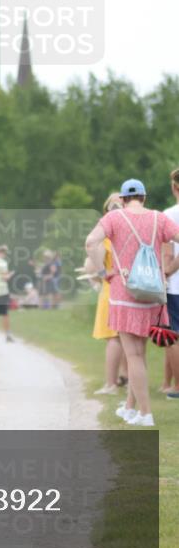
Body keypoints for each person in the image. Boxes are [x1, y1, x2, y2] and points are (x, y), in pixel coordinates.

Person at [85, 178, 179, 427]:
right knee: (140, 354)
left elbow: (91, 243)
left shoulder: (114, 218)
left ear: (123, 199)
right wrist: (169, 269)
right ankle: (130, 408)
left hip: (125, 292)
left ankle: (145, 413)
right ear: (144, 197)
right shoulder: (159, 218)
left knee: (133, 355)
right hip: (153, 295)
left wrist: (101, 271)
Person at [85, 193, 128, 396]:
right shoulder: (133, 230)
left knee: (113, 337)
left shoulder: (107, 235)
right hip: (131, 288)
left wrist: (99, 273)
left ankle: (110, 384)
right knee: (128, 337)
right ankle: (126, 377)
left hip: (111, 287)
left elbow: (92, 263)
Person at [162, 167, 179, 399]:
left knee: (173, 335)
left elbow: (166, 260)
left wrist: (168, 270)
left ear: (174, 187)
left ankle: (177, 386)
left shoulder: (169, 215)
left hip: (176, 286)